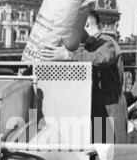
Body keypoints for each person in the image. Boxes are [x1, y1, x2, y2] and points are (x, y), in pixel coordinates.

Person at [41, 9, 128, 144]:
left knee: (106, 152)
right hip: (98, 103)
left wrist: (69, 56)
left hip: (108, 105)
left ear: (86, 25)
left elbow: (101, 58)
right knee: (97, 151)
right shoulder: (90, 46)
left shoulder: (105, 41)